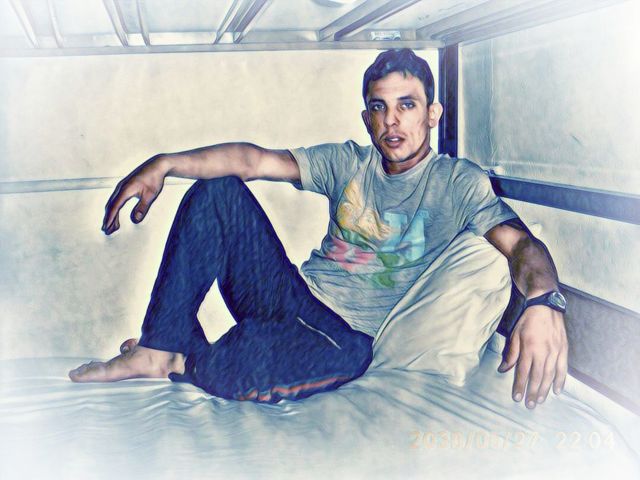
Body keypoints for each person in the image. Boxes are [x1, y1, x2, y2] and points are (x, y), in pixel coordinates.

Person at [69, 49, 568, 409]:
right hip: (288, 294)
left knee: (348, 357)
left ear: (433, 114)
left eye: (407, 105)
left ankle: (184, 360)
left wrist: (544, 302)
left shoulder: (456, 182)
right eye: (379, 107)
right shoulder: (348, 162)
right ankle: (159, 346)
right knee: (219, 192)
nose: (392, 121)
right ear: (367, 118)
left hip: (341, 332)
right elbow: (253, 160)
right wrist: (164, 163)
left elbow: (522, 245)